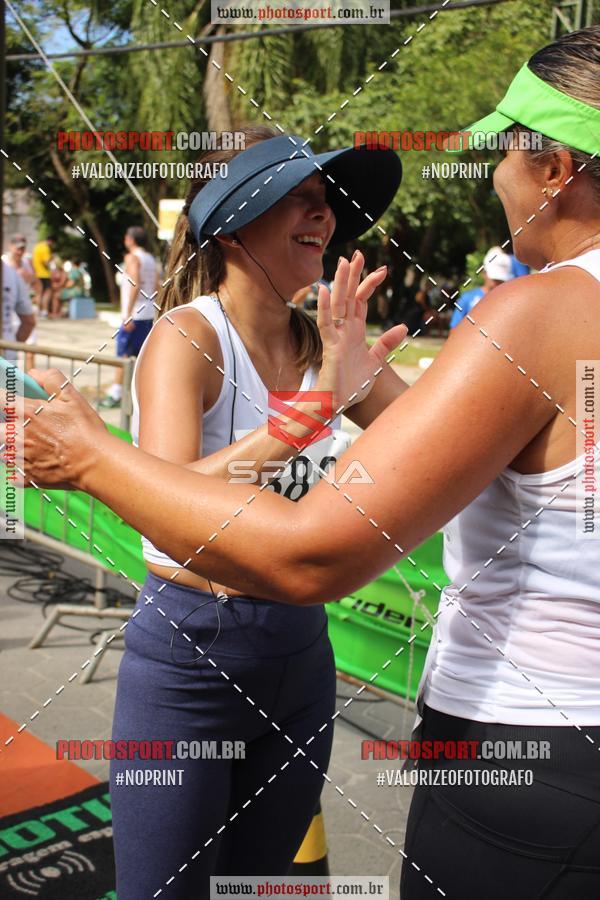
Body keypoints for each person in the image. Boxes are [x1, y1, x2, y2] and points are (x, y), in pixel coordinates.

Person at [18, 25, 600, 899]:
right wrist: (308, 415)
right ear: (231, 225)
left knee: (260, 887)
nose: (325, 215)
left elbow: (391, 498)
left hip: (313, 656)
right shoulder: (188, 337)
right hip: (193, 651)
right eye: (300, 196)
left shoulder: (446, 328)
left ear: (554, 167)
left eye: (329, 199)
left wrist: (90, 453)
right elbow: (164, 502)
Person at [99, 226, 159, 409]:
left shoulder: (133, 258)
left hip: (135, 313)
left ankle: (116, 393)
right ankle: (140, 394)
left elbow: (134, 284)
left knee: (123, 355)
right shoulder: (150, 259)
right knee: (141, 355)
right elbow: (157, 284)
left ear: (131, 240)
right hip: (147, 313)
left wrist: (127, 314)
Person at [449, 246, 513, 328]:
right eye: (494, 279)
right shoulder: (467, 298)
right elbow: (454, 329)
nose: (497, 284)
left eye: (501, 280)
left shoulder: (510, 302)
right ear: (484, 273)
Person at [2, 234, 39, 369]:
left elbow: (37, 285)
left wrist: (30, 280)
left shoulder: (27, 264)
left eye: (22, 248)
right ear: (10, 247)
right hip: (11, 321)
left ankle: (29, 382)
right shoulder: (6, 264)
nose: (20, 251)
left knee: (30, 350)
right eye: (17, 248)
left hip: (20, 310)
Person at [1, 260, 36, 360]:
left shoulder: (13, 273)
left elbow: (29, 322)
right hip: (7, 352)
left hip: (7, 351)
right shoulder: (12, 274)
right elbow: (29, 322)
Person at [31, 235, 55, 317]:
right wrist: (51, 258)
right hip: (44, 274)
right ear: (51, 241)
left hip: (36, 273)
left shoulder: (37, 246)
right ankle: (44, 311)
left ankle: (38, 310)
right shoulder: (46, 248)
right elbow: (46, 262)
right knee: (47, 292)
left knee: (38, 292)